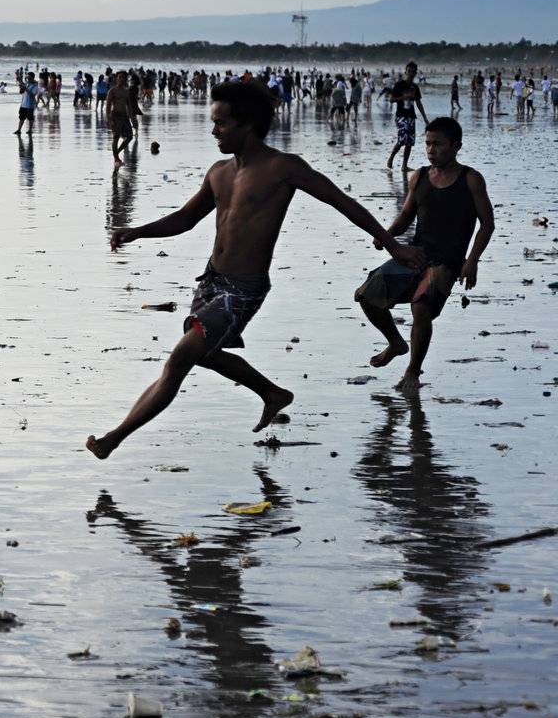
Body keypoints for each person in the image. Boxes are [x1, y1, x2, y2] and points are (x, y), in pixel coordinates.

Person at [85, 81, 424, 460]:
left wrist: (392, 243)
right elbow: (186, 218)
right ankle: (271, 393)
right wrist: (136, 232)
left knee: (178, 360)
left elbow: (341, 202)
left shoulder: (282, 168)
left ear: (246, 125)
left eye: (221, 123)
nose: (214, 131)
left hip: (243, 290)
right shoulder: (219, 172)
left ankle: (114, 439)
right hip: (212, 282)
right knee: (203, 354)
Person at [356, 116, 493, 389]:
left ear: (456, 146)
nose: (431, 150)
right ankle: (395, 342)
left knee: (421, 308)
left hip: (447, 262)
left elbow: (487, 224)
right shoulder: (419, 176)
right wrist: (386, 236)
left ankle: (412, 373)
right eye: (428, 144)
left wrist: (472, 260)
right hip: (416, 254)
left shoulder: (471, 180)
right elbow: (407, 214)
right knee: (366, 295)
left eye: (438, 144)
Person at [386, 62, 426, 171]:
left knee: (410, 142)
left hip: (411, 116)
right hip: (401, 116)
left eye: (413, 71)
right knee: (402, 140)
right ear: (406, 72)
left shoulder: (415, 87)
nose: (411, 73)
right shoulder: (399, 85)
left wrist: (425, 118)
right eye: (409, 71)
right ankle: (391, 158)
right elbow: (391, 99)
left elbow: (418, 103)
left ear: (415, 73)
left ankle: (404, 165)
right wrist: (404, 97)